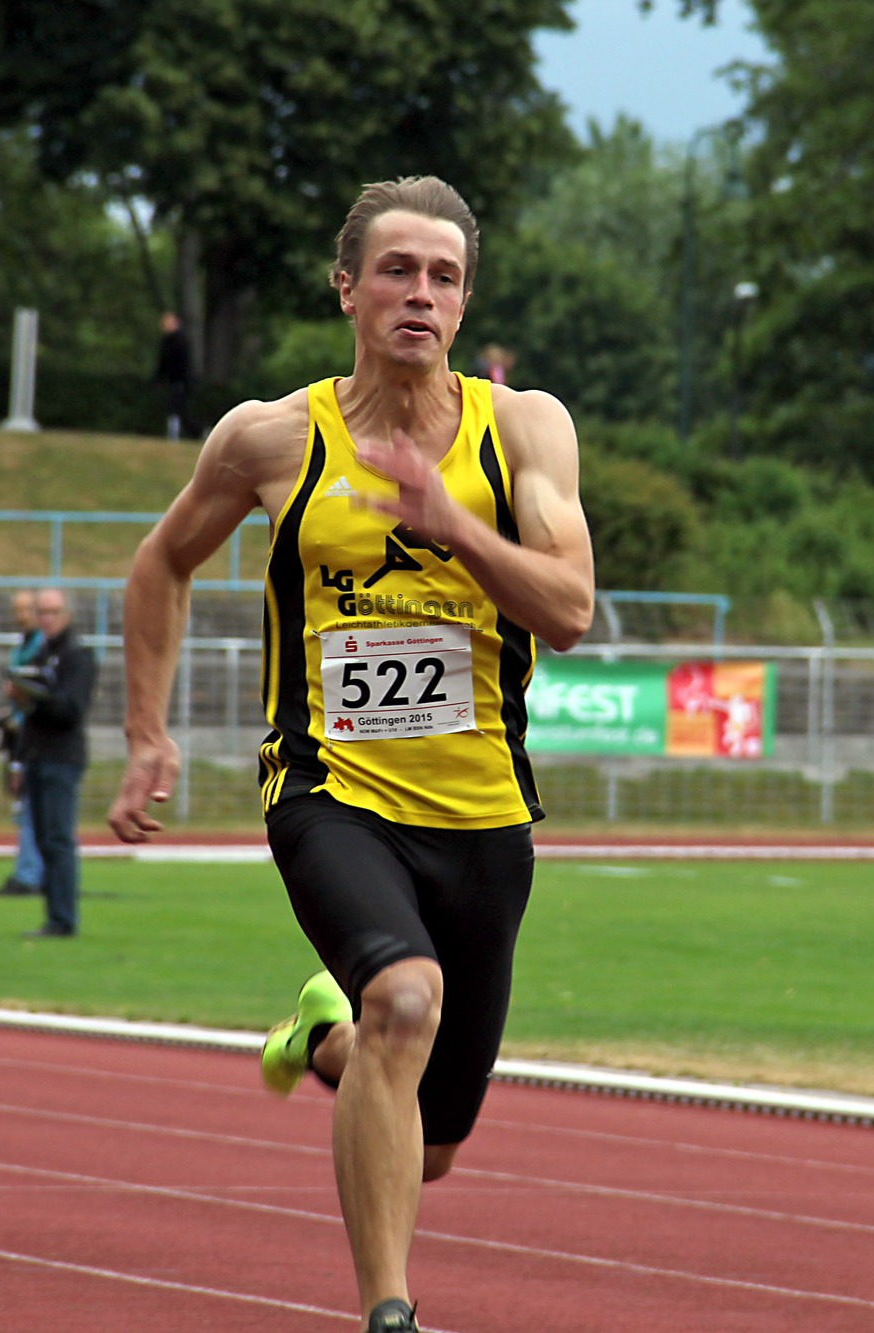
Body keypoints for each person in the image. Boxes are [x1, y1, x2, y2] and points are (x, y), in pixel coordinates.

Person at [106, 176, 594, 1333]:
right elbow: (161, 562)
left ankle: (323, 1038)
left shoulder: (526, 428)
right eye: (396, 271)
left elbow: (569, 610)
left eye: (443, 277)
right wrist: (146, 731)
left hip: (482, 815)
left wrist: (453, 526)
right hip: (330, 791)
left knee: (432, 1143)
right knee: (407, 1000)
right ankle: (388, 1311)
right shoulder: (271, 438)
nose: (419, 294)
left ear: (463, 304)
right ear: (346, 289)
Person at [13, 588, 95, 938]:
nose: (45, 618)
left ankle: (63, 918)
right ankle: (53, 913)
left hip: (62, 757)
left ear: (67, 615)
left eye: (52, 612)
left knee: (59, 839)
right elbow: (28, 719)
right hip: (36, 754)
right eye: (41, 612)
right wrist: (18, 761)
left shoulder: (77, 657)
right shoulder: (40, 653)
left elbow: (72, 709)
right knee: (44, 839)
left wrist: (36, 697)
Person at [0, 589, 47, 897]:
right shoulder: (24, 645)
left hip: (34, 736)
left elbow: (36, 692)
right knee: (28, 807)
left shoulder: (41, 646)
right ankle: (35, 871)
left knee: (32, 807)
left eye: (26, 609)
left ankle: (30, 874)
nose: (21, 616)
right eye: (17, 610)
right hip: (22, 733)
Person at [155, 311, 197, 441]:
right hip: (172, 381)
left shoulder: (181, 342)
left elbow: (184, 364)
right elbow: (163, 363)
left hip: (180, 381)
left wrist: (185, 381)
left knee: (177, 409)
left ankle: (176, 435)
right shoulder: (166, 342)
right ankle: (192, 432)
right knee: (178, 410)